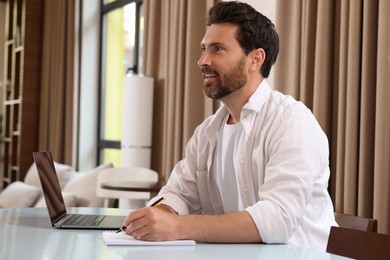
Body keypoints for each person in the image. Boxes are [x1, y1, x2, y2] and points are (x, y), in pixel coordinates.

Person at [123, 1, 337, 251]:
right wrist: (158, 215)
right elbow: (178, 193)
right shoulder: (207, 132)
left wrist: (178, 226)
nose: (202, 60)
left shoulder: (292, 122)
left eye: (217, 49)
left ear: (255, 59)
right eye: (203, 49)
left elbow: (277, 219)